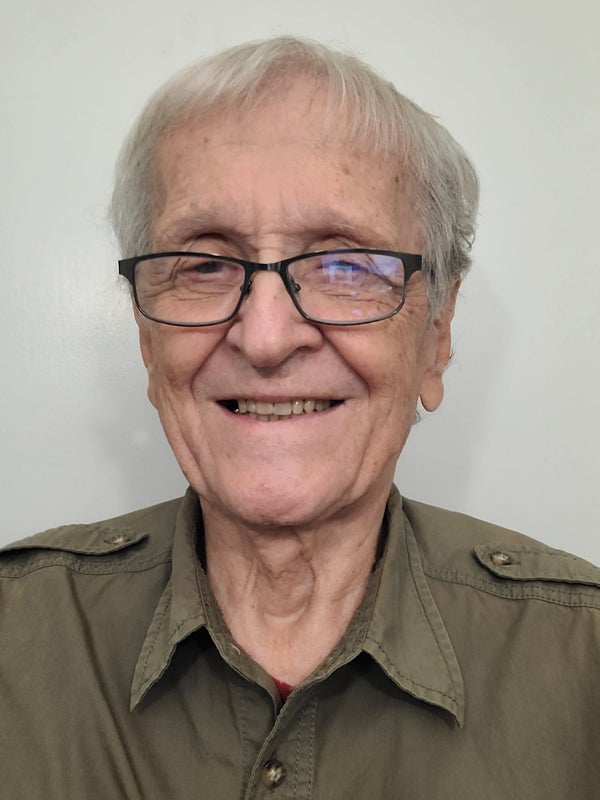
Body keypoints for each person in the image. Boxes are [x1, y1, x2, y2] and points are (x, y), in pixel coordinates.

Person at [1, 36, 599, 799]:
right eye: (205, 263)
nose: (266, 338)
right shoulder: (18, 637)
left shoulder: (582, 661)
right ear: (148, 341)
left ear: (437, 334)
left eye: (346, 264)